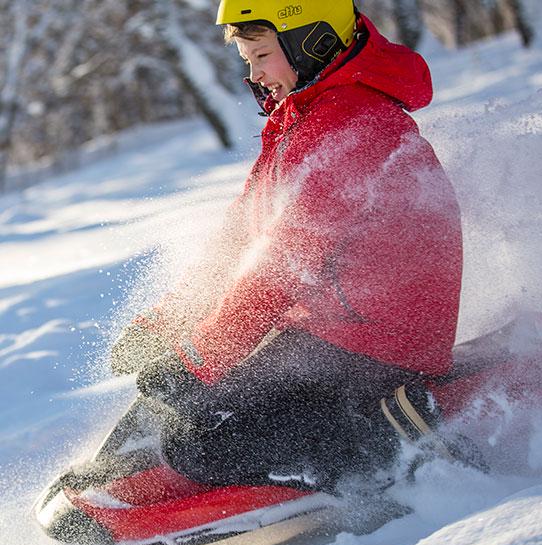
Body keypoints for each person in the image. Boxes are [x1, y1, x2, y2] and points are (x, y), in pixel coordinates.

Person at [111, 0, 463, 492]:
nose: (254, 75)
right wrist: (170, 321)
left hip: (381, 345)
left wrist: (201, 356)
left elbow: (286, 262)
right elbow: (241, 236)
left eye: (260, 55)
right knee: (166, 408)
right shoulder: (305, 114)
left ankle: (388, 439)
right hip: (326, 326)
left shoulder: (352, 127)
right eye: (247, 60)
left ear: (312, 41)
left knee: (200, 443)